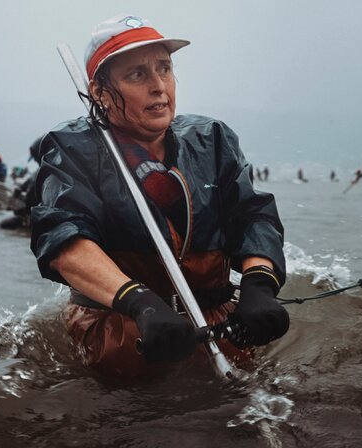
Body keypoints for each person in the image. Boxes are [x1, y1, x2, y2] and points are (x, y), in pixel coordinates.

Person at [30, 14, 289, 378]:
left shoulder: (212, 139)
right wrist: (140, 302)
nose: (158, 86)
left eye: (164, 68)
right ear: (100, 92)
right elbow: (62, 239)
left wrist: (259, 284)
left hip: (216, 316)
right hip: (123, 323)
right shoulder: (72, 149)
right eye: (137, 74)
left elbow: (253, 214)